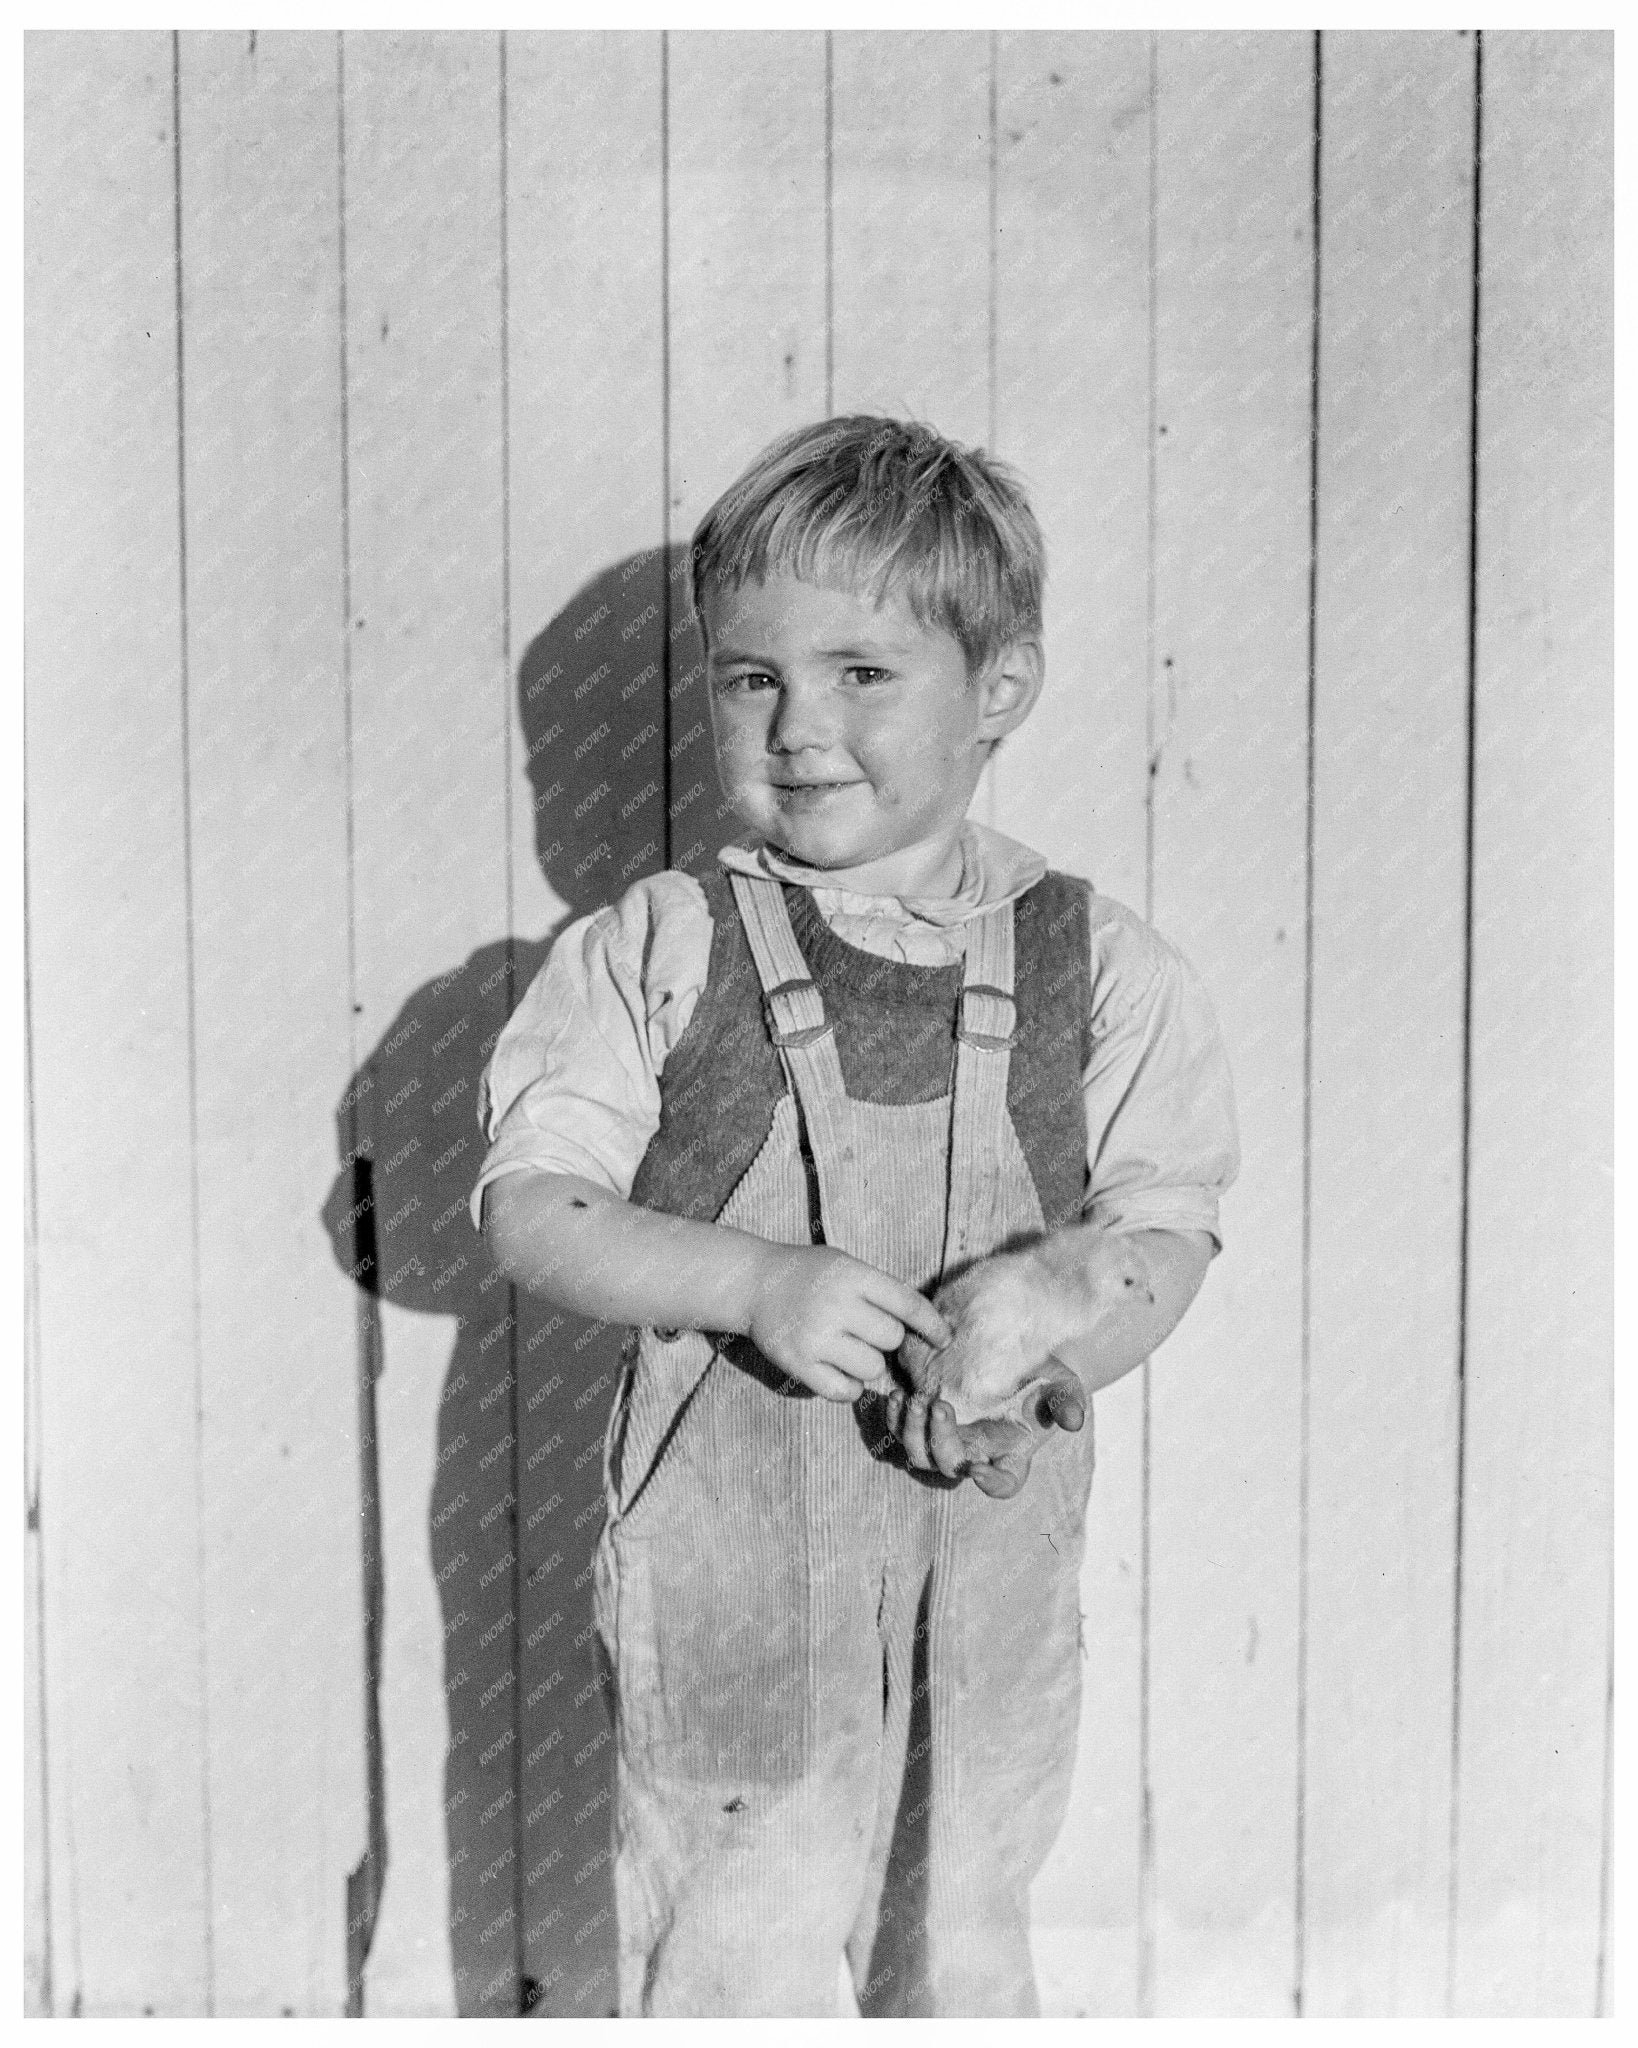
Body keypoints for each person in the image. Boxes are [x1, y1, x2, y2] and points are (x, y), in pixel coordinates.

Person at [470, 416, 1239, 2016]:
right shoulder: (661, 947)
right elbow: (533, 1210)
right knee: (729, 1962)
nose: (799, 726)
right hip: (733, 1590)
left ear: (999, 690)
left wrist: (1056, 1316)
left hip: (987, 1576)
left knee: (959, 1953)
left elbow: (1165, 1228)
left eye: (861, 674)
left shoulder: (1103, 964)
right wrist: (749, 1281)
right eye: (751, 676)